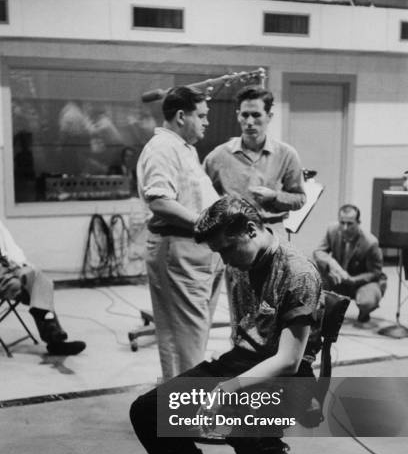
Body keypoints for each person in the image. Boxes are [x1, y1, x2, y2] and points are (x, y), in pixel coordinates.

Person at [130, 195, 323, 454]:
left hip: (289, 376)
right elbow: (244, 336)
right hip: (242, 361)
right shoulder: (240, 263)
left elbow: (289, 361)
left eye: (227, 249)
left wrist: (226, 391)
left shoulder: (298, 273)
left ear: (251, 230)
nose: (225, 260)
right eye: (218, 252)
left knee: (236, 414)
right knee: (148, 410)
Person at [136, 86, 224, 380]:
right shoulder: (162, 148)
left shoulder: (183, 148)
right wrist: (204, 223)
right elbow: (159, 200)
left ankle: (183, 412)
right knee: (185, 344)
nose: (206, 122)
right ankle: (185, 417)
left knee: (192, 340)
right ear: (180, 116)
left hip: (198, 252)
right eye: (201, 116)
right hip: (179, 251)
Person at [203, 85, 306, 327]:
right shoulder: (218, 156)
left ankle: (271, 360)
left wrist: (274, 197)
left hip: (272, 235)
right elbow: (202, 199)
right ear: (237, 115)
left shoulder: (286, 154)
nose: (250, 122)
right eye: (244, 115)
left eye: (256, 115)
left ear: (269, 116)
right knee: (240, 308)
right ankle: (240, 358)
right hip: (234, 240)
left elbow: (299, 198)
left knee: (273, 305)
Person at [0, 219, 86, 356]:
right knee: (25, 288)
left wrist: (22, 264)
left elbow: (11, 247)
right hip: (2, 275)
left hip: (10, 265)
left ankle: (51, 330)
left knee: (40, 280)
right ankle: (54, 339)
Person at [313, 204, 387, 324]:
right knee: (315, 273)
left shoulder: (370, 242)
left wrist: (353, 279)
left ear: (358, 222)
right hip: (339, 279)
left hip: (361, 281)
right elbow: (319, 252)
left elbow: (375, 273)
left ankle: (364, 312)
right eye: (342, 222)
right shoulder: (332, 230)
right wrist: (331, 264)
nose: (345, 227)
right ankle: (329, 311)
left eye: (350, 223)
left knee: (366, 302)